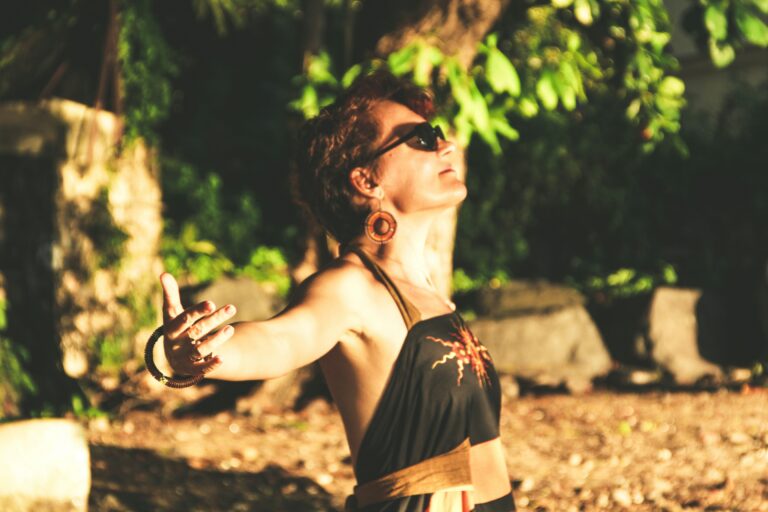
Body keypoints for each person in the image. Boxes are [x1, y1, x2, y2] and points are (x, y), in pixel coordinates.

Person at [153, 70, 516, 511]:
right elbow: (281, 339)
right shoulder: (349, 287)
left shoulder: (425, 293)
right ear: (366, 180)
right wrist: (184, 353)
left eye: (436, 134)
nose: (446, 145)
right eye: (421, 138)